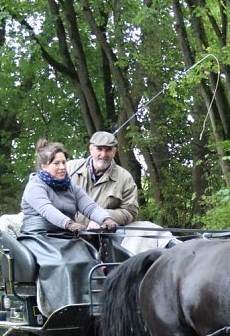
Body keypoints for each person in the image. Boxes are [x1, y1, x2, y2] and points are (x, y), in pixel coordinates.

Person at [18, 138, 118, 316]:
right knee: (63, 265)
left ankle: (98, 309)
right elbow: (47, 210)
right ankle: (65, 311)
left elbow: (90, 207)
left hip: (65, 238)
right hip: (39, 238)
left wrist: (106, 219)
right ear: (43, 166)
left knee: (91, 262)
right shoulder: (34, 186)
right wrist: (69, 223)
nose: (62, 167)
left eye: (64, 162)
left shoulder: (70, 186)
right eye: (56, 163)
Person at [68, 131, 171, 253]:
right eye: (99, 149)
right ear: (91, 149)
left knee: (148, 229)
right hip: (67, 234)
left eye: (108, 150)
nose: (103, 154)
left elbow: (130, 212)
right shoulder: (69, 169)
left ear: (114, 151)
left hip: (104, 238)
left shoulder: (125, 178)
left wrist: (102, 217)